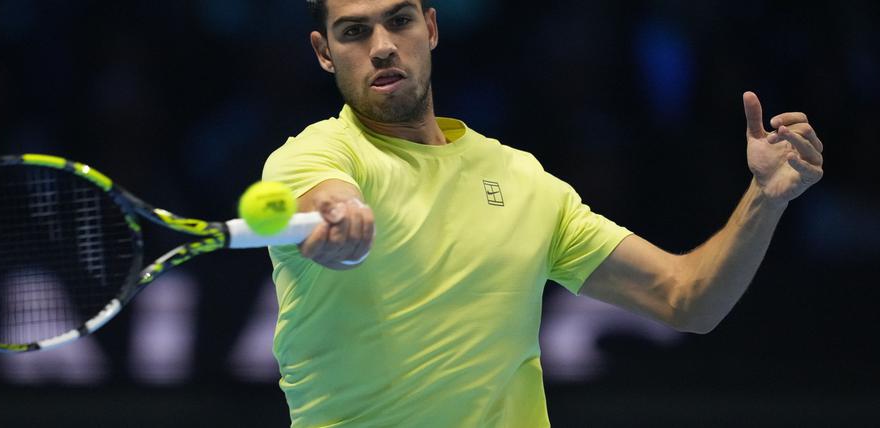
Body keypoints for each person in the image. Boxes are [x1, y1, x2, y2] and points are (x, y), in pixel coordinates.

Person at [261, 1, 825, 426]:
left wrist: (764, 198)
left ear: (430, 28)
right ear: (324, 51)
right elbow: (328, 198)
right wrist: (342, 219)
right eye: (354, 32)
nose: (382, 45)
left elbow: (688, 299)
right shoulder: (313, 154)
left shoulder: (522, 179)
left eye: (399, 22)